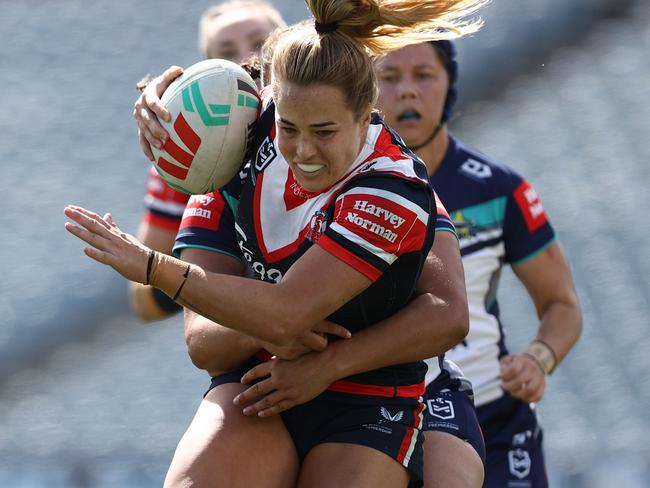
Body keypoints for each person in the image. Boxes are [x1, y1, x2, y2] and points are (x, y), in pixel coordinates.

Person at [66, 1, 489, 486]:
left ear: (366, 113)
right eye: (289, 129)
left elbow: (445, 314)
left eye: (325, 132)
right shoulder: (236, 136)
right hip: (260, 381)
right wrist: (163, 109)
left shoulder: (392, 187)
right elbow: (206, 343)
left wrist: (322, 357)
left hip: (376, 391)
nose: (304, 151)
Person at [374, 39, 583, 487]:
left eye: (424, 75)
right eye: (389, 78)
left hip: (497, 423)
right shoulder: (346, 190)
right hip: (388, 418)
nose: (408, 91)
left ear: (449, 85)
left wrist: (538, 358)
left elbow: (562, 303)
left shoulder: (499, 188)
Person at [130, 0, 287, 321]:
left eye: (259, 43)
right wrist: (207, 280)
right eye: (227, 52)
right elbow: (142, 301)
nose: (247, 58)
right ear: (208, 67)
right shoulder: (185, 153)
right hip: (244, 348)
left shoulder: (327, 122)